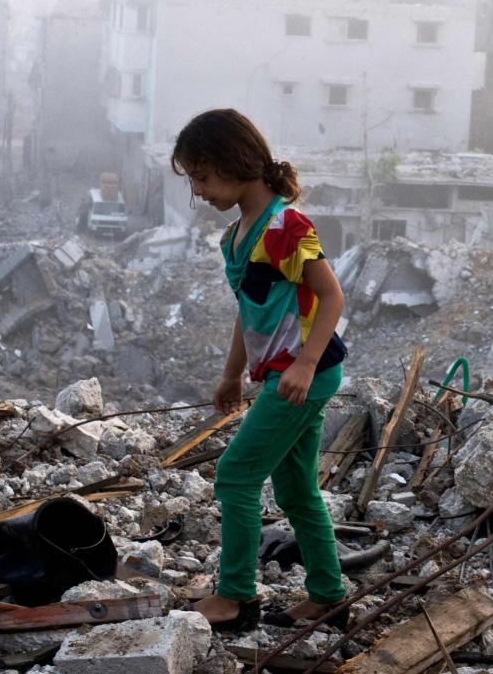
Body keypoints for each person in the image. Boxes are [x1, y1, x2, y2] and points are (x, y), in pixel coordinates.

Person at [171, 109, 349, 632]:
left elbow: (331, 297)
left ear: (234, 163)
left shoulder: (285, 227)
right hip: (284, 374)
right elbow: (249, 313)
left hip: (305, 374)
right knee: (296, 492)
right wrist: (231, 374)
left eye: (202, 176)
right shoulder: (236, 235)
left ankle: (236, 598)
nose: (198, 190)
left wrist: (304, 363)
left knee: (236, 474)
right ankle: (328, 597)